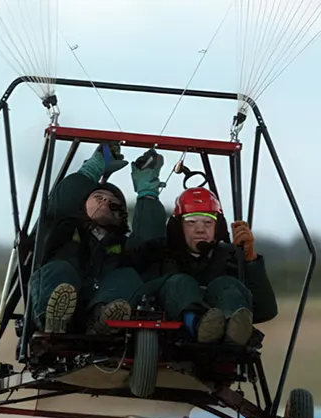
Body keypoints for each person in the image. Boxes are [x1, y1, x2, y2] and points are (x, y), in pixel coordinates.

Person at [28, 143, 167, 335]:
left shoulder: (124, 246)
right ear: (82, 204)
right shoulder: (63, 229)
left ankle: (103, 319)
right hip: (61, 296)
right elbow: (63, 202)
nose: (104, 201)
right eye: (98, 196)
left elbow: (149, 242)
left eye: (112, 202)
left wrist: (147, 193)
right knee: (60, 269)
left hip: (99, 302)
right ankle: (53, 319)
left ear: (121, 215)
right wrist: (92, 168)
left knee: (128, 276)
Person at [131, 187, 278, 345]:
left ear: (217, 227)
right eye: (191, 222)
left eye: (208, 222)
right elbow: (140, 296)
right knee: (180, 283)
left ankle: (232, 329)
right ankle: (198, 325)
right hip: (172, 342)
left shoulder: (230, 257)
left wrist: (250, 261)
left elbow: (265, 311)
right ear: (178, 227)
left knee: (227, 285)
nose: (200, 229)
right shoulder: (158, 255)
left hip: (226, 349)